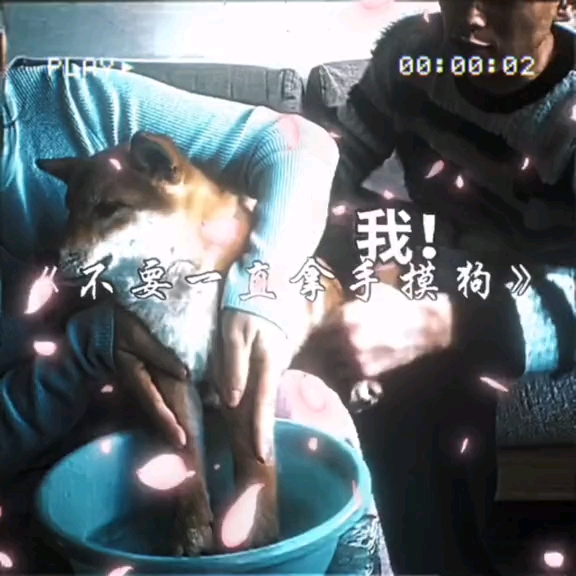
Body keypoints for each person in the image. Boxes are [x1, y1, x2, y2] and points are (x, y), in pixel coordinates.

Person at [309, 0, 576, 574]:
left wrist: (443, 324)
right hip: (441, 254)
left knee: (419, 375)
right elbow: (333, 160)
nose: (471, 18)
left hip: (538, 295)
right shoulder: (415, 53)